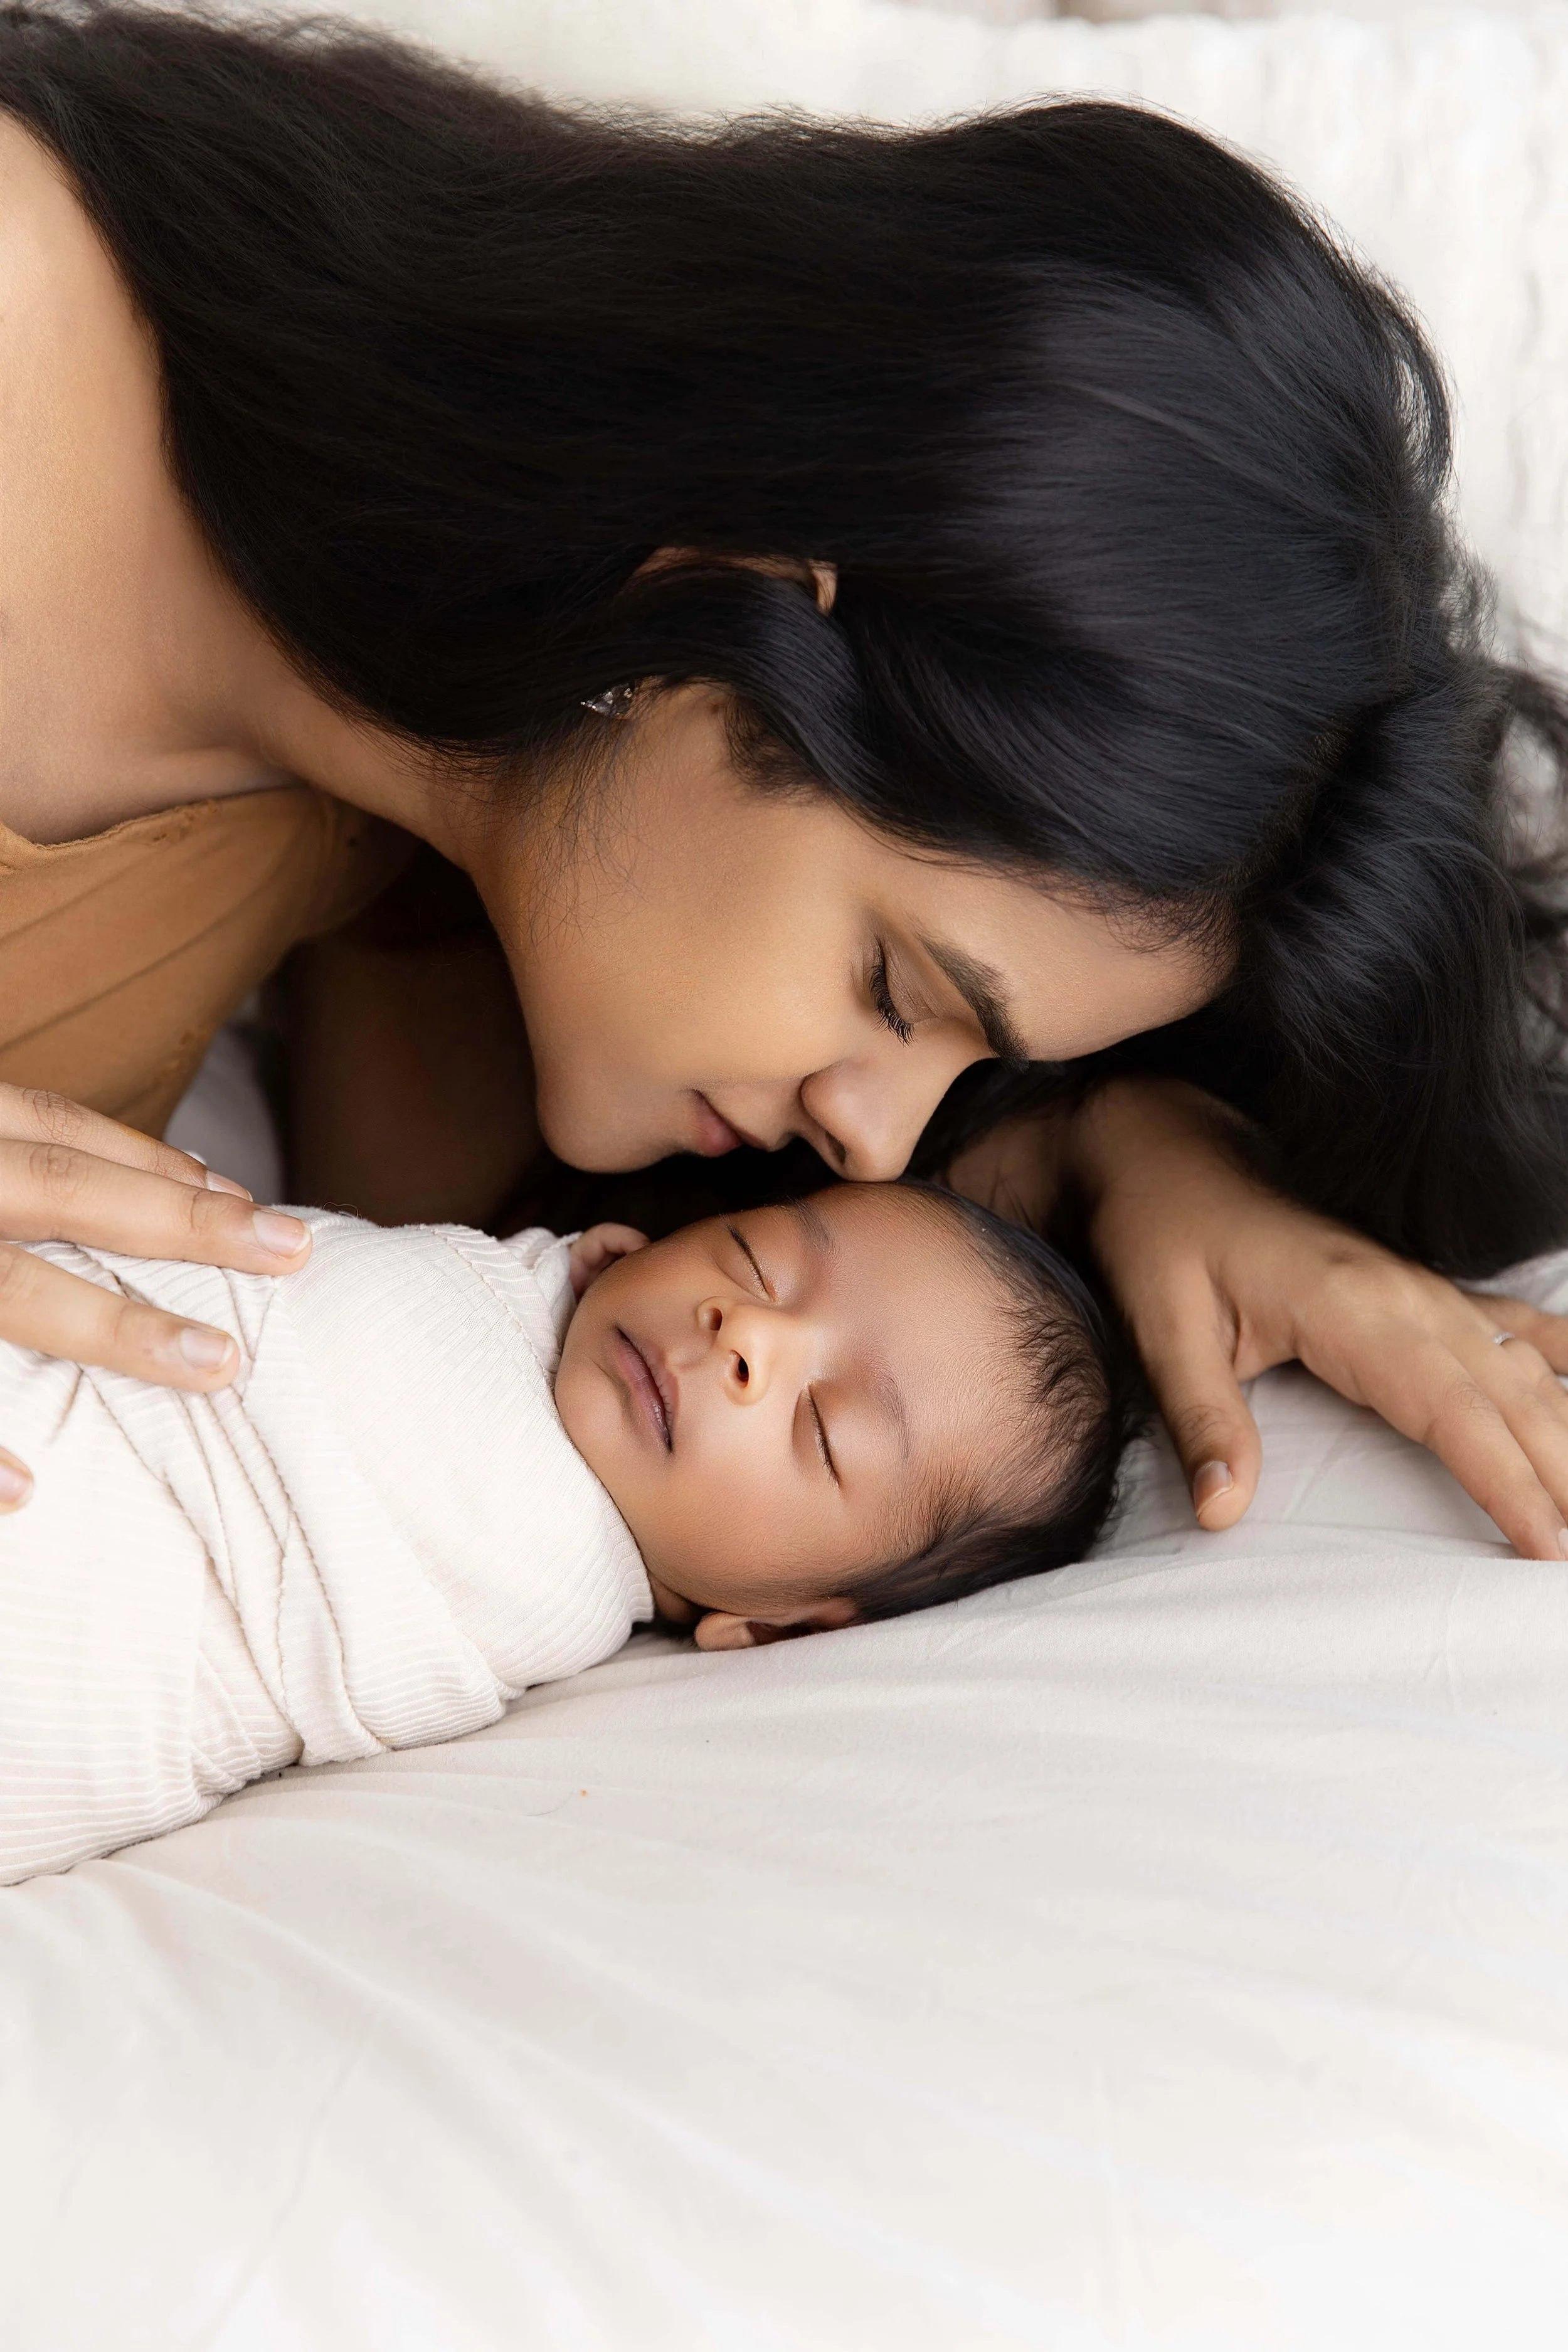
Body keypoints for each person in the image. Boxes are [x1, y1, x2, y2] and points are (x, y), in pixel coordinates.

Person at [3, 3, 1568, 1559]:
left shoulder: (410, 830)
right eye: (895, 989)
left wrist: (1129, 1157)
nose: (871, 1144)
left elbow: (424, 1302)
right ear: (731, 601)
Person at [0, 1181, 1133, 1884]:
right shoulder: (485, 1287)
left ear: (781, 1626)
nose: (749, 1334)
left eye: (823, 1428)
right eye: (755, 1258)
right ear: (612, 1246)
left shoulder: (538, 1584)